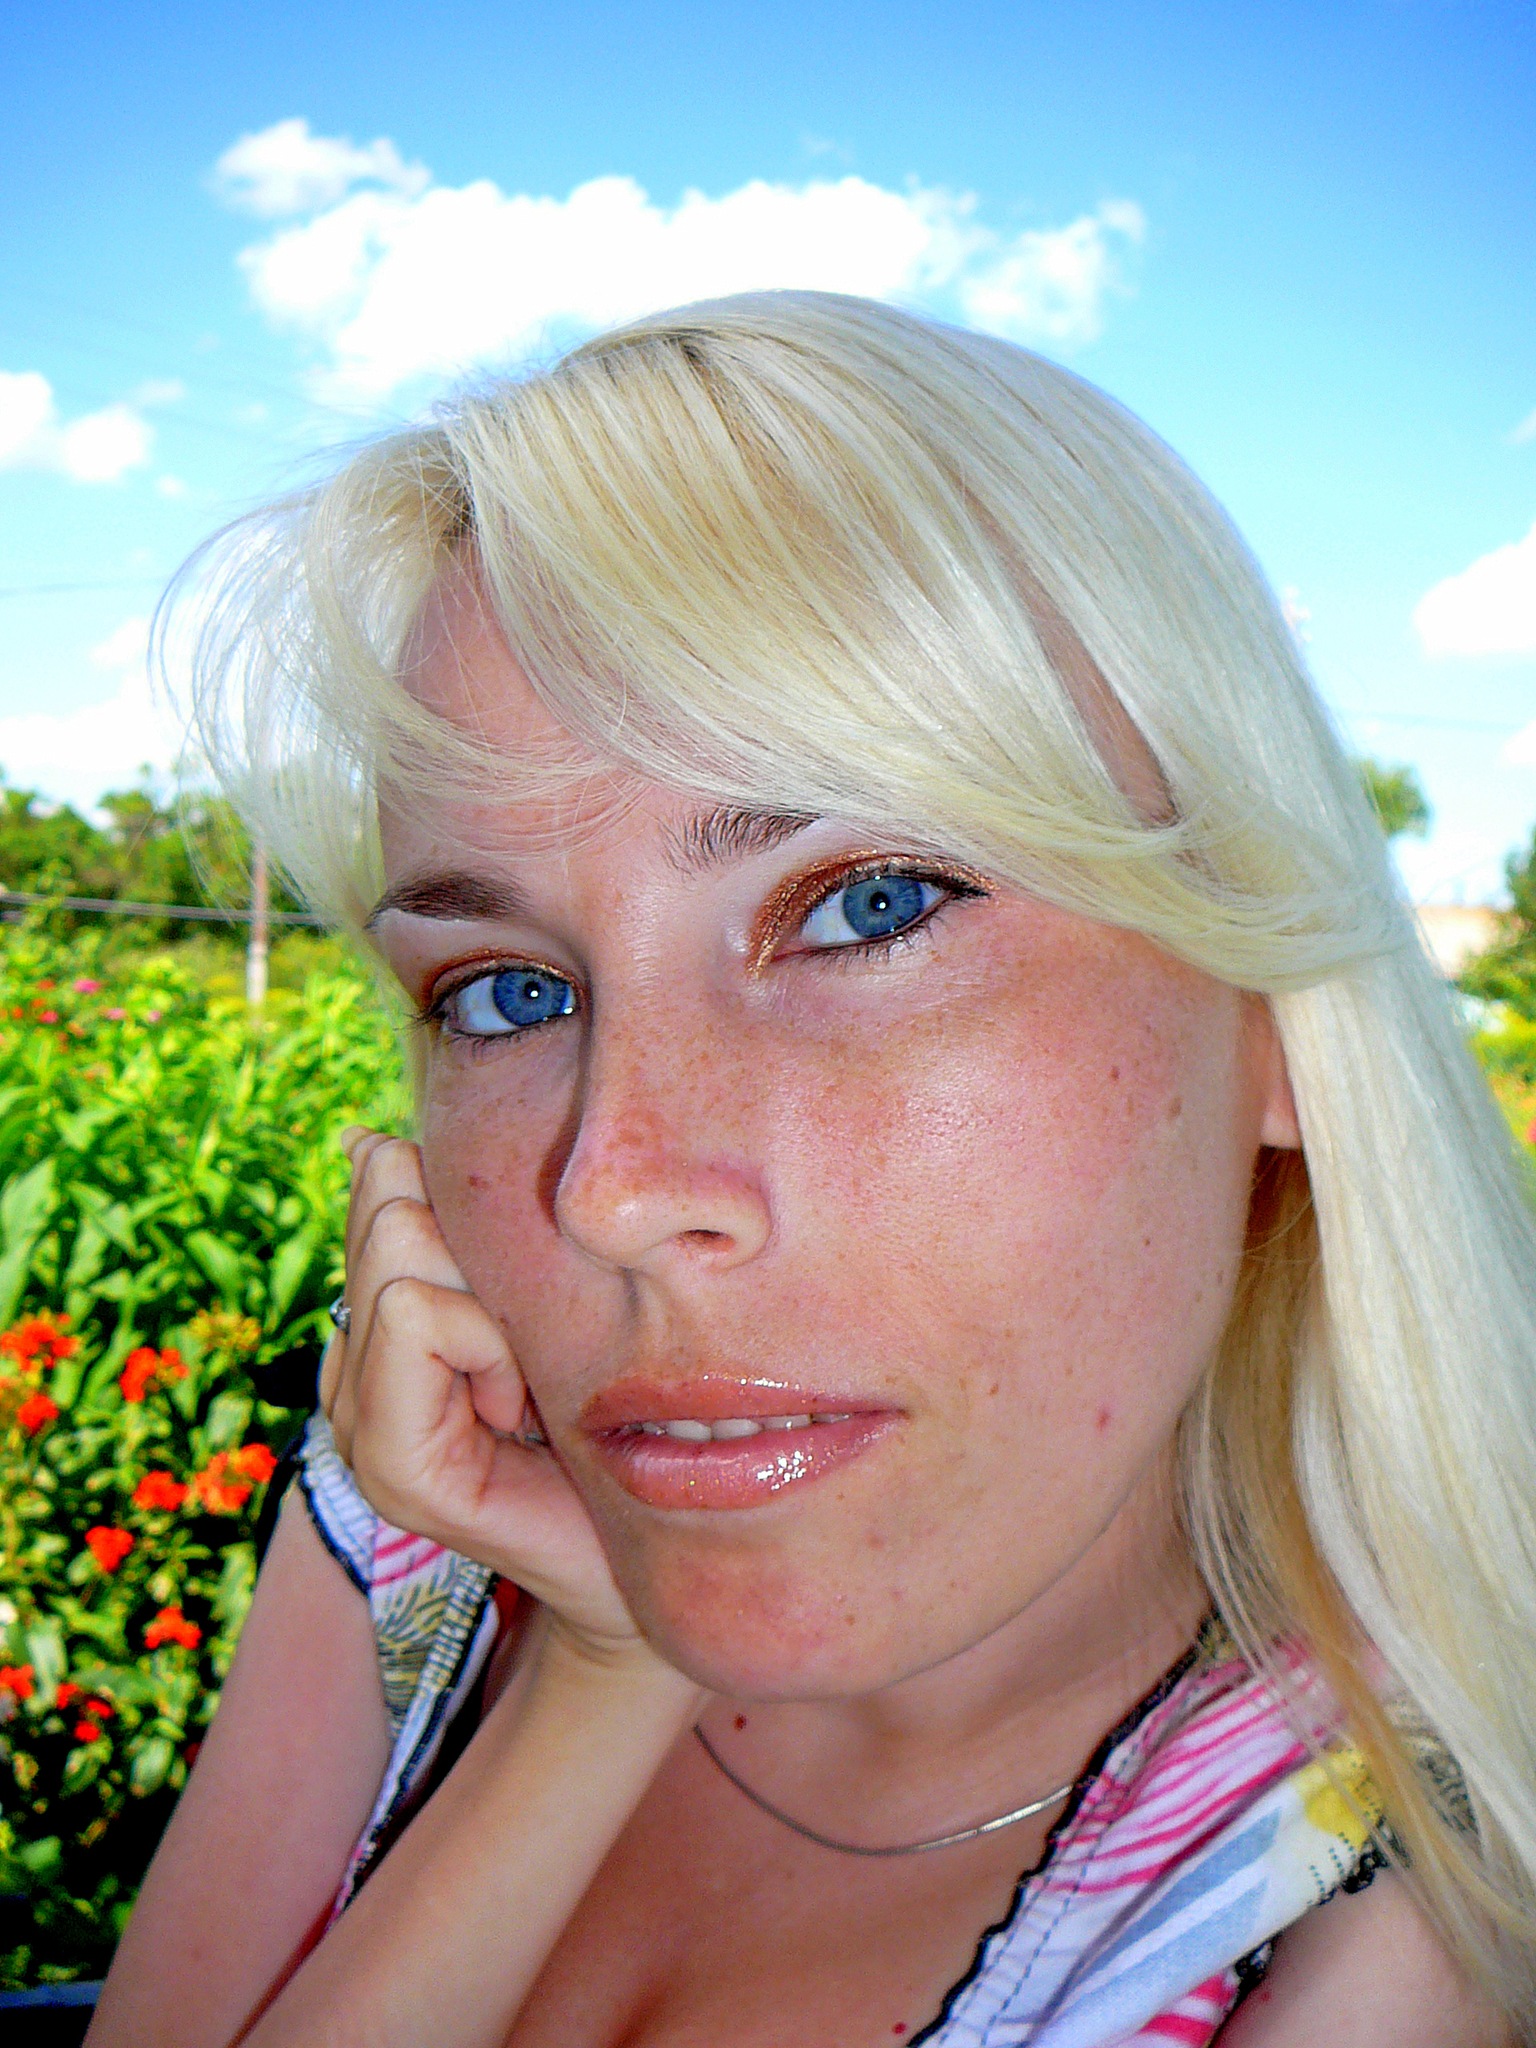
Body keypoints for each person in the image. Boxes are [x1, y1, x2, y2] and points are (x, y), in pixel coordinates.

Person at [87, 293, 1536, 2048]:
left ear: (1279, 1019)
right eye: (507, 992)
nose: (612, 1193)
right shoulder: (432, 1521)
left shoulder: (1376, 1945)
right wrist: (598, 1676)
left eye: (870, 906)